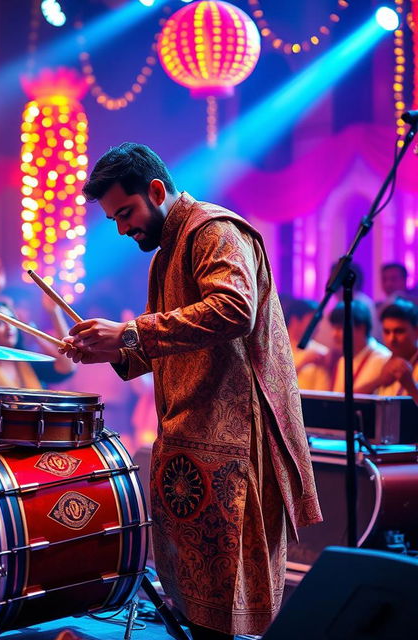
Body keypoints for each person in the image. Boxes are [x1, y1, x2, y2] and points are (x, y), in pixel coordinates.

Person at [60, 143, 321, 639]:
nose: (122, 228)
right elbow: (171, 341)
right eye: (114, 219)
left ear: (156, 190)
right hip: (192, 445)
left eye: (126, 213)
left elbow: (232, 310)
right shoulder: (167, 255)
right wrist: (109, 348)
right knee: (196, 608)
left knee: (229, 610)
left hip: (235, 448)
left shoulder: (214, 230)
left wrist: (129, 333)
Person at [0, 257, 75, 389]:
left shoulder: (28, 360)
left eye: (12, 320)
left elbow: (67, 367)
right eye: (0, 323)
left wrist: (54, 313)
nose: (8, 327)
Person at [329, 300, 390, 394]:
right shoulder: (343, 361)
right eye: (334, 328)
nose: (334, 334)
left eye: (340, 328)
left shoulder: (383, 358)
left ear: (361, 328)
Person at [372, 298, 418, 404]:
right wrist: (379, 381)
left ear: (416, 331)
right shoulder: (383, 360)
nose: (391, 338)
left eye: (399, 331)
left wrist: (410, 385)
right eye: (386, 332)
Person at [282, 298, 332, 391]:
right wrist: (303, 362)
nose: (317, 328)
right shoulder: (278, 348)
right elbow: (275, 383)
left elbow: (323, 392)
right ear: (295, 320)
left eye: (318, 323)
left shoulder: (321, 352)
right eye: (312, 322)